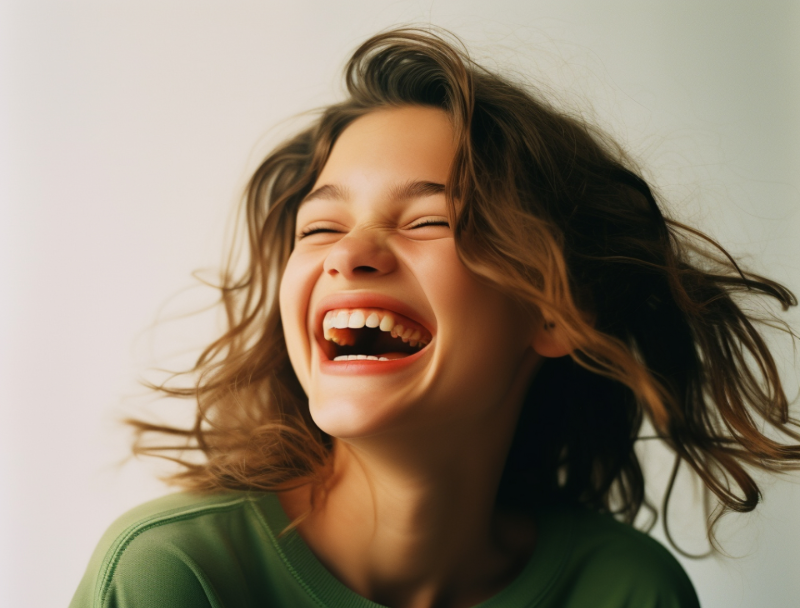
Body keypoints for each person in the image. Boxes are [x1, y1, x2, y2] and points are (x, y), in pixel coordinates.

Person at [70, 28, 799, 608]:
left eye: (429, 221)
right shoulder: (170, 577)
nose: (349, 253)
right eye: (319, 228)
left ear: (555, 311)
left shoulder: (629, 591)